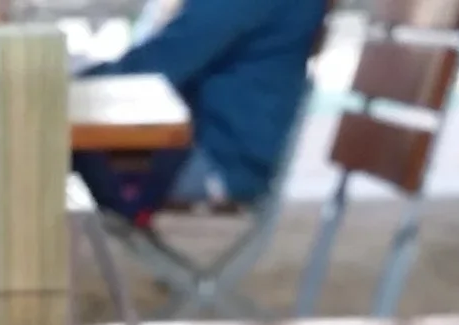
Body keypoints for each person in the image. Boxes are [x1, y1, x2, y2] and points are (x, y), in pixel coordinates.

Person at [72, 0, 327, 226]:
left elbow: (156, 69)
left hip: (218, 162)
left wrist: (65, 83)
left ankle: (43, 270)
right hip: (227, 152)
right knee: (50, 138)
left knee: (45, 139)